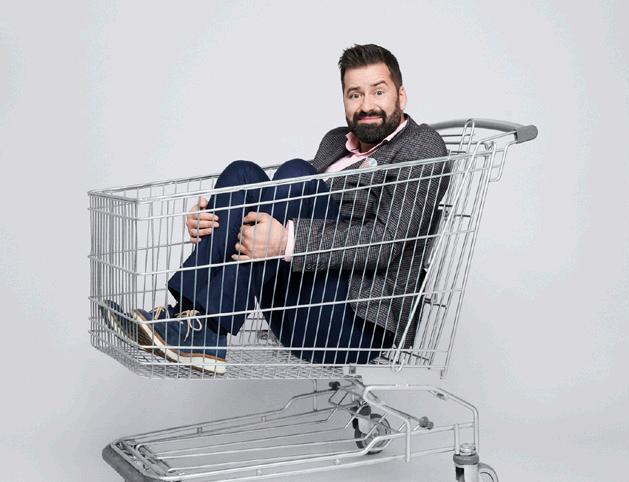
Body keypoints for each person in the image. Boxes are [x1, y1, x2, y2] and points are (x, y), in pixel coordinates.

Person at [102, 44, 449, 374]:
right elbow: (284, 203)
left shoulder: (422, 145)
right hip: (296, 306)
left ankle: (208, 329)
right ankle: (188, 319)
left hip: (355, 323)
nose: (366, 105)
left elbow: (386, 242)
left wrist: (286, 241)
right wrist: (216, 218)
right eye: (354, 94)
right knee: (242, 175)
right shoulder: (335, 141)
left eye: (378, 91)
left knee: (296, 173)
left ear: (401, 95)